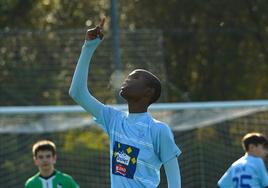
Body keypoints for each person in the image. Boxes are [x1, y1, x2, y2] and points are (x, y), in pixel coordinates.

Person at [69, 18, 181, 188]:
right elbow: (77, 93)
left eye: (135, 77)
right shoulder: (114, 119)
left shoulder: (158, 130)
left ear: (148, 92)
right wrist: (88, 47)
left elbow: (175, 182)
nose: (126, 80)